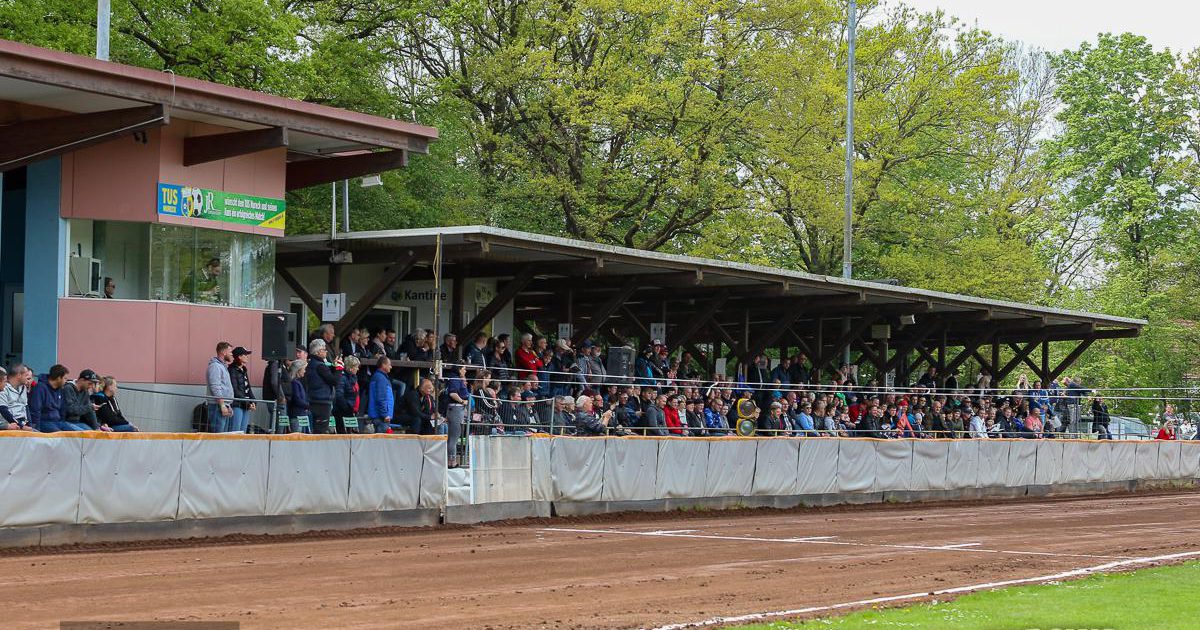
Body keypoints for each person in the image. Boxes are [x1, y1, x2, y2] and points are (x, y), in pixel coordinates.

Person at [29, 365, 83, 432]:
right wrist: (36, 428)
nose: (66, 381)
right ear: (58, 378)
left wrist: (62, 421)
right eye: (65, 378)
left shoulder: (60, 390)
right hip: (44, 422)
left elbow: (62, 409)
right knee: (61, 436)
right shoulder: (40, 388)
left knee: (76, 434)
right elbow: (36, 409)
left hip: (58, 422)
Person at [306, 339, 342, 434]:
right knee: (320, 430)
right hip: (322, 402)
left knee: (314, 429)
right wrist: (339, 368)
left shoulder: (311, 364)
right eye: (324, 349)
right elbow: (334, 381)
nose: (326, 351)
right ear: (318, 352)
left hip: (313, 400)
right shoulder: (320, 366)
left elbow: (326, 374)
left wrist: (333, 367)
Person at [368, 357, 404, 433]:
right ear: (383, 365)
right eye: (389, 365)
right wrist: (384, 414)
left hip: (380, 416)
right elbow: (381, 398)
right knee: (382, 442)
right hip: (381, 418)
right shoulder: (381, 378)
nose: (391, 367)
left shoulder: (380, 377)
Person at [206, 342, 235, 432]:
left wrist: (227, 405)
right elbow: (215, 387)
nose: (232, 354)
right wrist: (222, 405)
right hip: (217, 407)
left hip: (222, 406)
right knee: (218, 437)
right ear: (223, 352)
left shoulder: (222, 367)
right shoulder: (215, 366)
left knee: (222, 437)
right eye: (230, 352)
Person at [227, 347, 256, 433]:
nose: (247, 357)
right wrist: (248, 402)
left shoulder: (244, 370)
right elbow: (234, 389)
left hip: (245, 405)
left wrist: (253, 401)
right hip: (237, 404)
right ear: (239, 356)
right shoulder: (232, 370)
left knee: (243, 430)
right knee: (235, 430)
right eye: (245, 355)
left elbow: (248, 388)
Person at [0, 364, 35, 430]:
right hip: (11, 425)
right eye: (26, 376)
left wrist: (30, 425)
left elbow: (26, 407)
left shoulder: (23, 387)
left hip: (23, 423)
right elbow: (3, 411)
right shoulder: (3, 388)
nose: (28, 380)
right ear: (19, 375)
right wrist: (21, 426)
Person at [334, 355, 362, 433]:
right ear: (351, 368)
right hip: (343, 412)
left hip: (351, 411)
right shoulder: (343, 378)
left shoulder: (354, 378)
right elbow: (339, 395)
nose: (358, 369)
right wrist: (347, 407)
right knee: (343, 434)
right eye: (356, 367)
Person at [286, 360, 309, 433]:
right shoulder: (294, 383)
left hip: (300, 414)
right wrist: (308, 405)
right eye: (304, 369)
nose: (305, 371)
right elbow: (297, 399)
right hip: (297, 415)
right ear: (298, 370)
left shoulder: (297, 382)